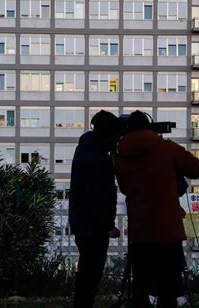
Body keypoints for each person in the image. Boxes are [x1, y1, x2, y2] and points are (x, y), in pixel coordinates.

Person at [115, 111, 199, 308]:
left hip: (140, 232)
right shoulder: (165, 148)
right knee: (168, 289)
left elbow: (125, 188)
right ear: (150, 127)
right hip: (168, 231)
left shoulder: (120, 155)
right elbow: (196, 168)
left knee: (141, 288)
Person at [69, 110, 121, 308]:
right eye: (115, 135)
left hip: (83, 222)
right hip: (93, 226)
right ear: (107, 135)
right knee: (91, 272)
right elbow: (99, 194)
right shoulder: (98, 159)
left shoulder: (86, 148)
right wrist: (107, 225)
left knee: (86, 271)